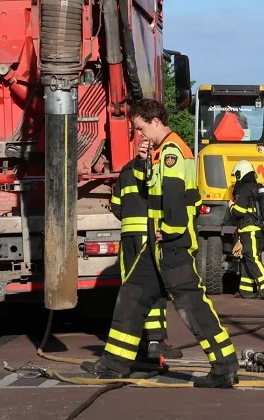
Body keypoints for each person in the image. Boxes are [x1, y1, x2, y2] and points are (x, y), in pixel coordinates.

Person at [86, 99, 239, 388]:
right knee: (131, 296)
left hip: (171, 244)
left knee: (191, 305)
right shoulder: (162, 153)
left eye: (141, 128)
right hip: (156, 246)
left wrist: (169, 230)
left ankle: (224, 366)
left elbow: (173, 194)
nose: (140, 135)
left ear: (155, 121)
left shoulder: (171, 151)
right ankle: (114, 364)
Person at [109, 156, 182, 360]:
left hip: (129, 237)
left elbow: (116, 206)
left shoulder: (125, 170)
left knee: (131, 289)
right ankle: (154, 342)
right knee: (154, 288)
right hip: (150, 235)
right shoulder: (155, 168)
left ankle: (134, 345)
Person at [227, 160, 264, 300]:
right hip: (258, 230)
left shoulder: (243, 189)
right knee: (247, 259)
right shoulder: (256, 188)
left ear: (240, 173)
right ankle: (246, 291)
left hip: (250, 230)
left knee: (252, 258)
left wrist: (231, 206)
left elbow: (239, 212)